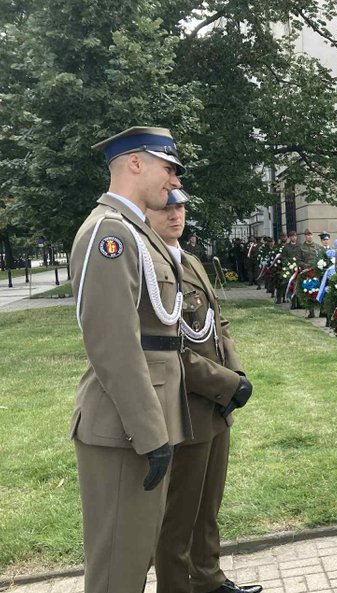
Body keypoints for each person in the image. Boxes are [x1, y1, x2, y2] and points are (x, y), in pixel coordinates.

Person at [70, 126, 190, 593]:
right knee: (118, 570)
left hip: (140, 424)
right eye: (168, 167)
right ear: (135, 163)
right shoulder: (110, 233)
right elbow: (113, 343)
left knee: (134, 556)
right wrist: (150, 432)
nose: (173, 180)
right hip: (126, 429)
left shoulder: (136, 230)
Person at [149, 189, 261, 593]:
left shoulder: (189, 260)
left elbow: (218, 322)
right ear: (147, 210)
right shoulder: (150, 267)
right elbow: (166, 351)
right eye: (166, 207)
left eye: (180, 206)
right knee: (179, 517)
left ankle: (209, 580)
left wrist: (237, 371)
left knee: (208, 505)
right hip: (186, 407)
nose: (175, 214)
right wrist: (226, 383)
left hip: (216, 404)